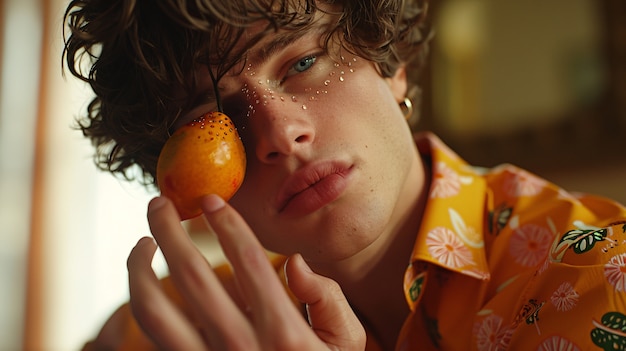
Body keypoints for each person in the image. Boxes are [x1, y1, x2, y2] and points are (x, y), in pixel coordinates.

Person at [63, 0, 626, 350]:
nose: (281, 134)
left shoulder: (598, 280)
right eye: (218, 121)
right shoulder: (190, 324)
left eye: (303, 63)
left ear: (390, 63)